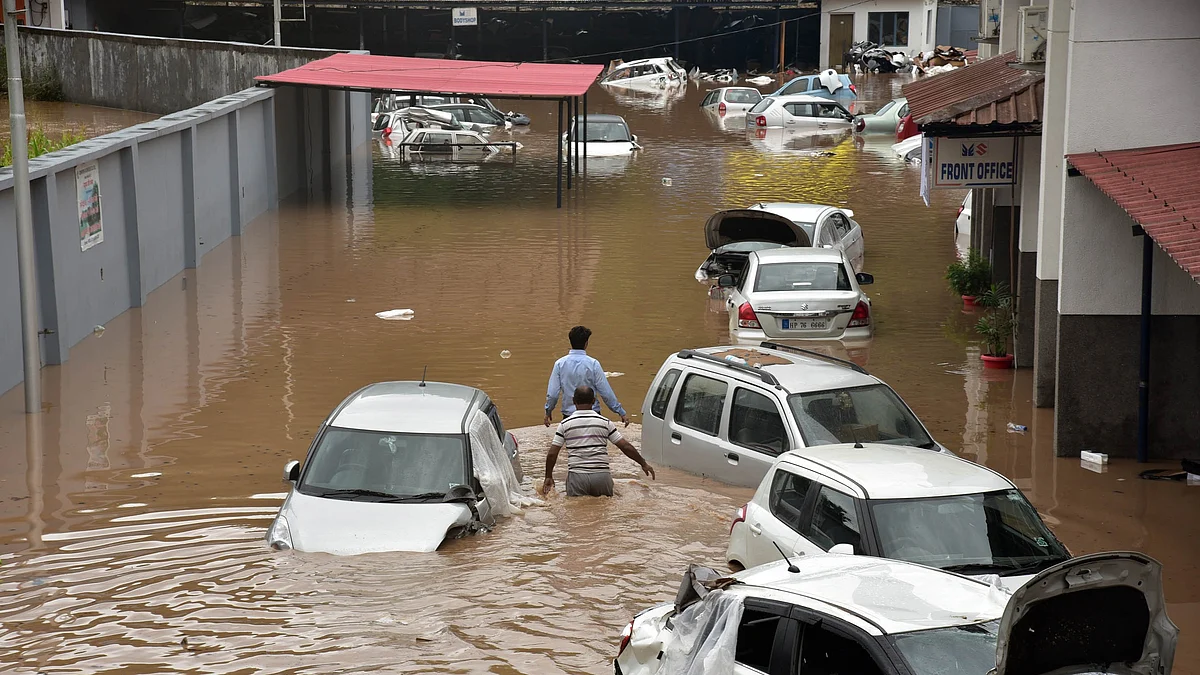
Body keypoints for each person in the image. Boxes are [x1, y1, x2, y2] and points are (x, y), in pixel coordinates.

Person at [544, 386, 654, 497]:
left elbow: (553, 453)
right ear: (593, 401)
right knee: (604, 512)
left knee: (576, 510)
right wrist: (643, 463)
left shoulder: (564, 425)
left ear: (573, 401)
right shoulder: (605, 422)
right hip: (602, 477)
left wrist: (548, 476)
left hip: (577, 477)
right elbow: (625, 446)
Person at [544, 326, 628, 427]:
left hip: (569, 416)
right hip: (593, 414)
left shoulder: (559, 364)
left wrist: (548, 411)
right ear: (586, 343)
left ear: (571, 342)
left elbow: (552, 394)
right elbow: (606, 392)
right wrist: (620, 412)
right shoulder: (593, 364)